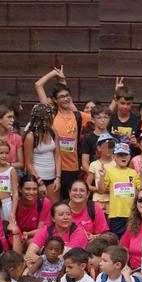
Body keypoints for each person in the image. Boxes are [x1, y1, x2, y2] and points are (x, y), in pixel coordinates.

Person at [34, 67, 91, 199]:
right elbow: (38, 85)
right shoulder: (50, 114)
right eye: (61, 97)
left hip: (72, 167)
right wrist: (53, 74)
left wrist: (63, 80)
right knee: (54, 204)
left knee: (69, 201)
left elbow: (102, 118)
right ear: (54, 100)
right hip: (54, 168)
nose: (65, 99)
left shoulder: (78, 116)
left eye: (67, 96)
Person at [99, 142, 142, 238]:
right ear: (114, 156)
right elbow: (101, 190)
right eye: (120, 155)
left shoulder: (133, 172)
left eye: (125, 155)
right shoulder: (109, 171)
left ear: (130, 156)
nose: (123, 157)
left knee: (132, 239)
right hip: (116, 214)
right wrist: (101, 177)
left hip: (132, 214)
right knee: (116, 241)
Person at [25, 202, 88, 268]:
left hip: (68, 272)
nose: (65, 217)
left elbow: (67, 259)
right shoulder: (46, 230)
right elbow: (29, 254)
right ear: (53, 218)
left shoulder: (79, 233)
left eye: (68, 214)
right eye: (61, 215)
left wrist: (40, 260)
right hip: (44, 268)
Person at [23, 104, 61, 203]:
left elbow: (57, 156)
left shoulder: (53, 133)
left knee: (54, 206)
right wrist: (39, 181)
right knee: (39, 206)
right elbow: (28, 163)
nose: (52, 118)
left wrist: (58, 177)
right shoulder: (30, 136)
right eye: (50, 116)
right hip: (37, 176)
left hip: (52, 176)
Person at [0, 105, 22, 172]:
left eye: (13, 117)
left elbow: (21, 164)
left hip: (12, 171)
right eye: (9, 117)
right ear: (0, 119)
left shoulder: (17, 138)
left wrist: (7, 164)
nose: (12, 120)